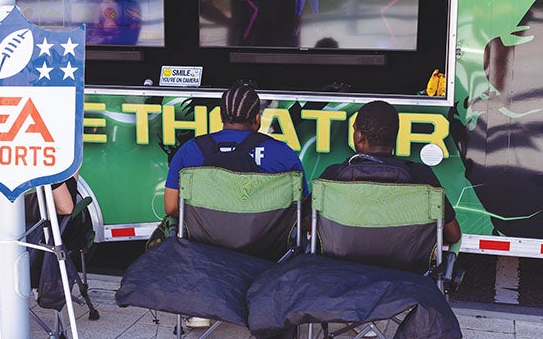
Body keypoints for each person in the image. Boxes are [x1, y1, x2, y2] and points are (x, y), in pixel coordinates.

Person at [164, 81, 306, 326]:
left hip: (208, 249)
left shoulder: (191, 150)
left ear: (220, 116)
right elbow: (300, 209)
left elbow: (172, 207)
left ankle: (202, 307)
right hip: (267, 251)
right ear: (257, 118)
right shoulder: (282, 153)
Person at [319, 100, 461, 246]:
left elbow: (306, 222)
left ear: (360, 137)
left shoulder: (334, 175)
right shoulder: (421, 175)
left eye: (354, 129)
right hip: (403, 268)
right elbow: (453, 234)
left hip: (341, 265)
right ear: (395, 136)